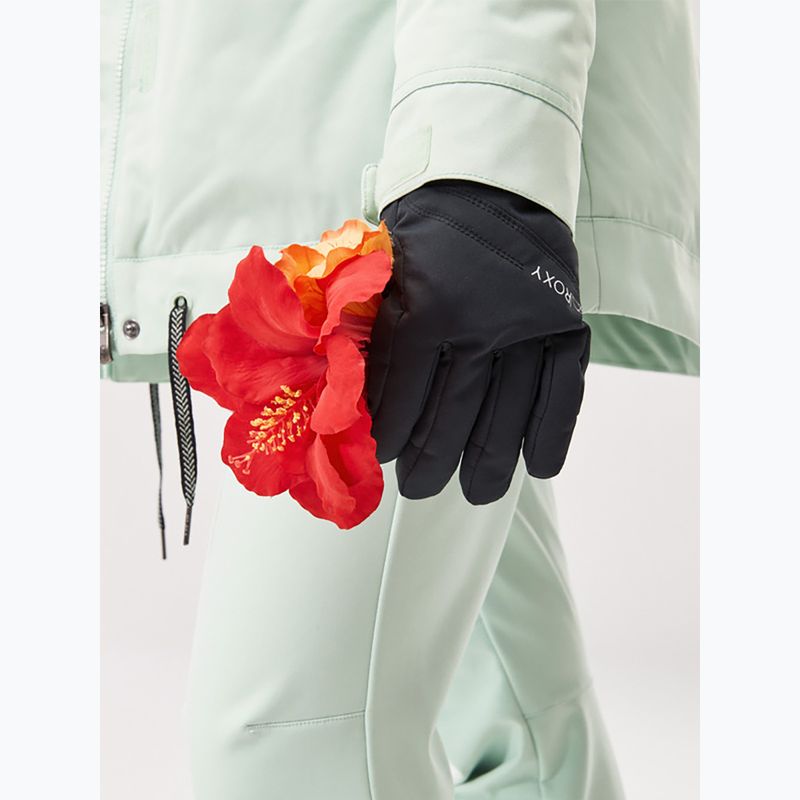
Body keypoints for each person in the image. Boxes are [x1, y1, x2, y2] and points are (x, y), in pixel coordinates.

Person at [100, 0, 698, 797]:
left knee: (290, 748)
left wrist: (482, 160)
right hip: (357, 170)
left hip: (406, 196)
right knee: (528, 744)